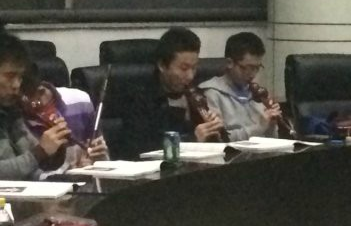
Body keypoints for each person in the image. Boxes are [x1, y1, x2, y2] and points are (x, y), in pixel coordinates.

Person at [123, 27, 225, 158]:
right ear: (162, 65)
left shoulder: (196, 95)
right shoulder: (139, 99)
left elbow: (221, 147)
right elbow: (138, 149)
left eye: (194, 68)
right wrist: (192, 139)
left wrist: (217, 131)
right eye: (184, 68)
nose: (190, 76)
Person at [0, 33, 71, 180]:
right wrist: (40, 152)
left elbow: (31, 168)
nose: (16, 85)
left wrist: (56, 148)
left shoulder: (11, 112)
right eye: (10, 76)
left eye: (20, 77)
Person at [199, 32, 284, 141]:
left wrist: (272, 124)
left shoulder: (257, 94)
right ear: (229, 63)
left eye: (257, 68)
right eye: (248, 68)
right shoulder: (211, 94)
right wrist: (259, 127)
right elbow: (220, 139)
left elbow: (272, 139)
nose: (252, 74)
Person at [20, 73, 109, 175]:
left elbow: (100, 156)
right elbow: (25, 174)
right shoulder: (16, 117)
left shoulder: (80, 101)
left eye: (40, 94)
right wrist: (71, 173)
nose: (37, 103)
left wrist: (98, 161)